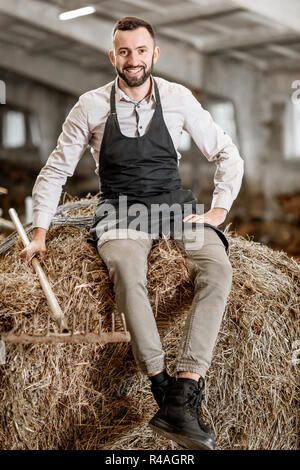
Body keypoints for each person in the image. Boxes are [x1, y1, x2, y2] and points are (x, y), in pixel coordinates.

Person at [21, 17, 244, 450]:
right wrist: (40, 230)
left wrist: (218, 210)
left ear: (154, 54)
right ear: (113, 56)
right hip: (120, 209)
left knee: (217, 272)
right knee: (126, 268)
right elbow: (54, 172)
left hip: (174, 207)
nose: (134, 60)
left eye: (142, 51)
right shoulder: (90, 105)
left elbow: (226, 153)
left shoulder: (178, 99)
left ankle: (187, 385)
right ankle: (163, 386)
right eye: (124, 52)